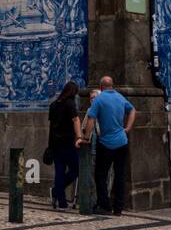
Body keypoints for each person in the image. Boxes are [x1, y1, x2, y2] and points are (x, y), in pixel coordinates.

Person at [82, 76, 135, 216]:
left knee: (100, 174)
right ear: (112, 85)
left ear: (101, 87)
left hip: (106, 143)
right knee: (120, 175)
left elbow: (91, 119)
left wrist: (86, 137)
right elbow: (133, 110)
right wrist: (128, 128)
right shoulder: (120, 97)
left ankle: (105, 205)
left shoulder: (98, 99)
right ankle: (118, 208)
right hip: (122, 142)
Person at [47, 80, 81, 210]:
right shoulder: (70, 103)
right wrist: (79, 137)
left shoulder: (54, 105)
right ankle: (56, 191)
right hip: (68, 142)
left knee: (60, 171)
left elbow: (51, 127)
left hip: (55, 143)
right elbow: (76, 119)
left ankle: (61, 200)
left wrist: (49, 145)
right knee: (75, 170)